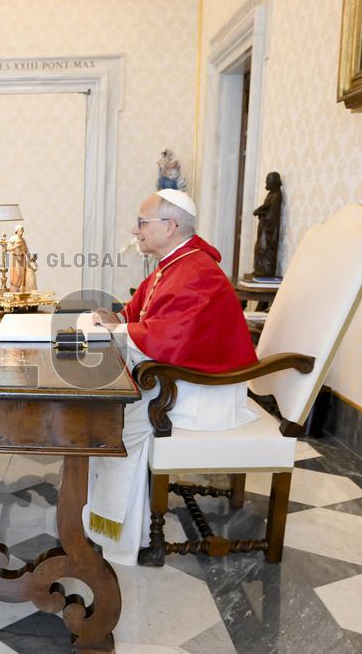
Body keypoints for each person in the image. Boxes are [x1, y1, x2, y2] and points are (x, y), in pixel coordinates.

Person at [88, 189, 258, 565]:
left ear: (170, 225)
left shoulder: (195, 272)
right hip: (182, 379)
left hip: (202, 394)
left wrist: (120, 332)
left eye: (142, 222)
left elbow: (169, 340)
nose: (136, 230)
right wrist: (114, 320)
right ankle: (102, 522)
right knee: (105, 410)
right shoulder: (172, 263)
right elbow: (139, 317)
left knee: (115, 421)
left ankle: (118, 537)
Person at [244, 171, 282, 279]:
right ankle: (258, 270)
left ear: (274, 181)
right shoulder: (271, 194)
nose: (266, 182)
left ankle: (264, 272)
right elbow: (266, 207)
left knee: (264, 250)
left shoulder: (277, 195)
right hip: (264, 229)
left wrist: (260, 213)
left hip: (268, 229)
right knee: (259, 249)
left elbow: (271, 215)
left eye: (268, 180)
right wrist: (260, 211)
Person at [6, 224, 37, 292]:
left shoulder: (23, 239)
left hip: (23, 258)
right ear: (16, 231)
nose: (22, 232)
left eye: (22, 231)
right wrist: (16, 246)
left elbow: (26, 249)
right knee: (16, 274)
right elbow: (8, 248)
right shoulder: (13, 238)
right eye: (20, 230)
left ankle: (21, 290)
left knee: (23, 274)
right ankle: (14, 290)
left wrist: (30, 258)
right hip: (16, 258)